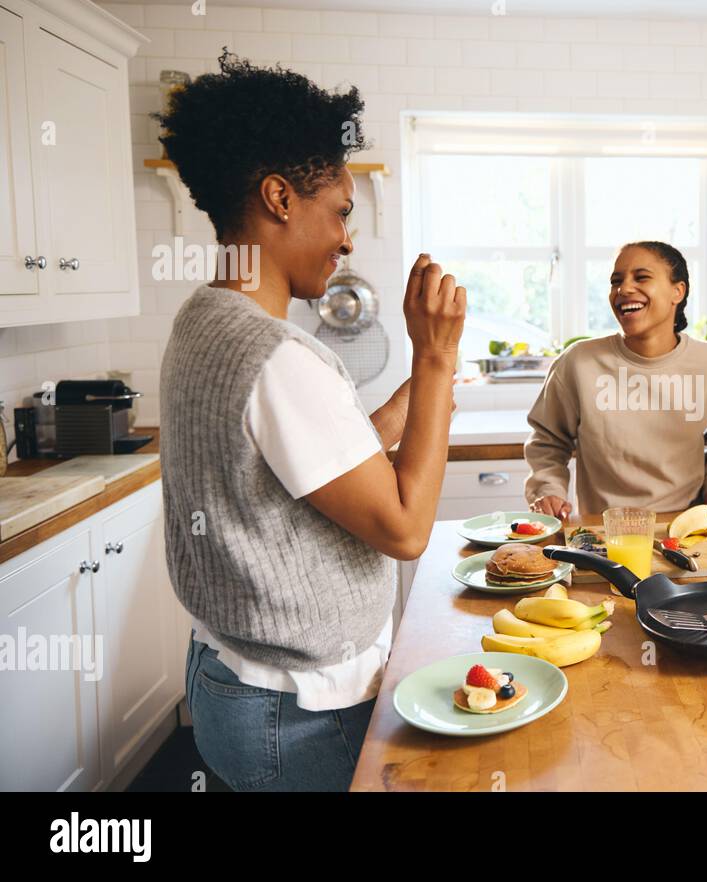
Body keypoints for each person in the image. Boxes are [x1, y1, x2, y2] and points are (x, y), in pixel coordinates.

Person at [156, 52, 465, 790]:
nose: (348, 239)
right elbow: (403, 529)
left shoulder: (204, 319)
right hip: (294, 711)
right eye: (341, 211)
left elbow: (314, 457)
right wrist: (434, 362)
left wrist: (415, 404)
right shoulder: (278, 356)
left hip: (229, 678)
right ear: (279, 198)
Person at [526, 241, 707, 518]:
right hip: (603, 529)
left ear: (677, 291)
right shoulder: (579, 362)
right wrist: (549, 490)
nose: (623, 289)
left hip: (687, 527)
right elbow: (548, 440)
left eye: (641, 277)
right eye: (616, 281)